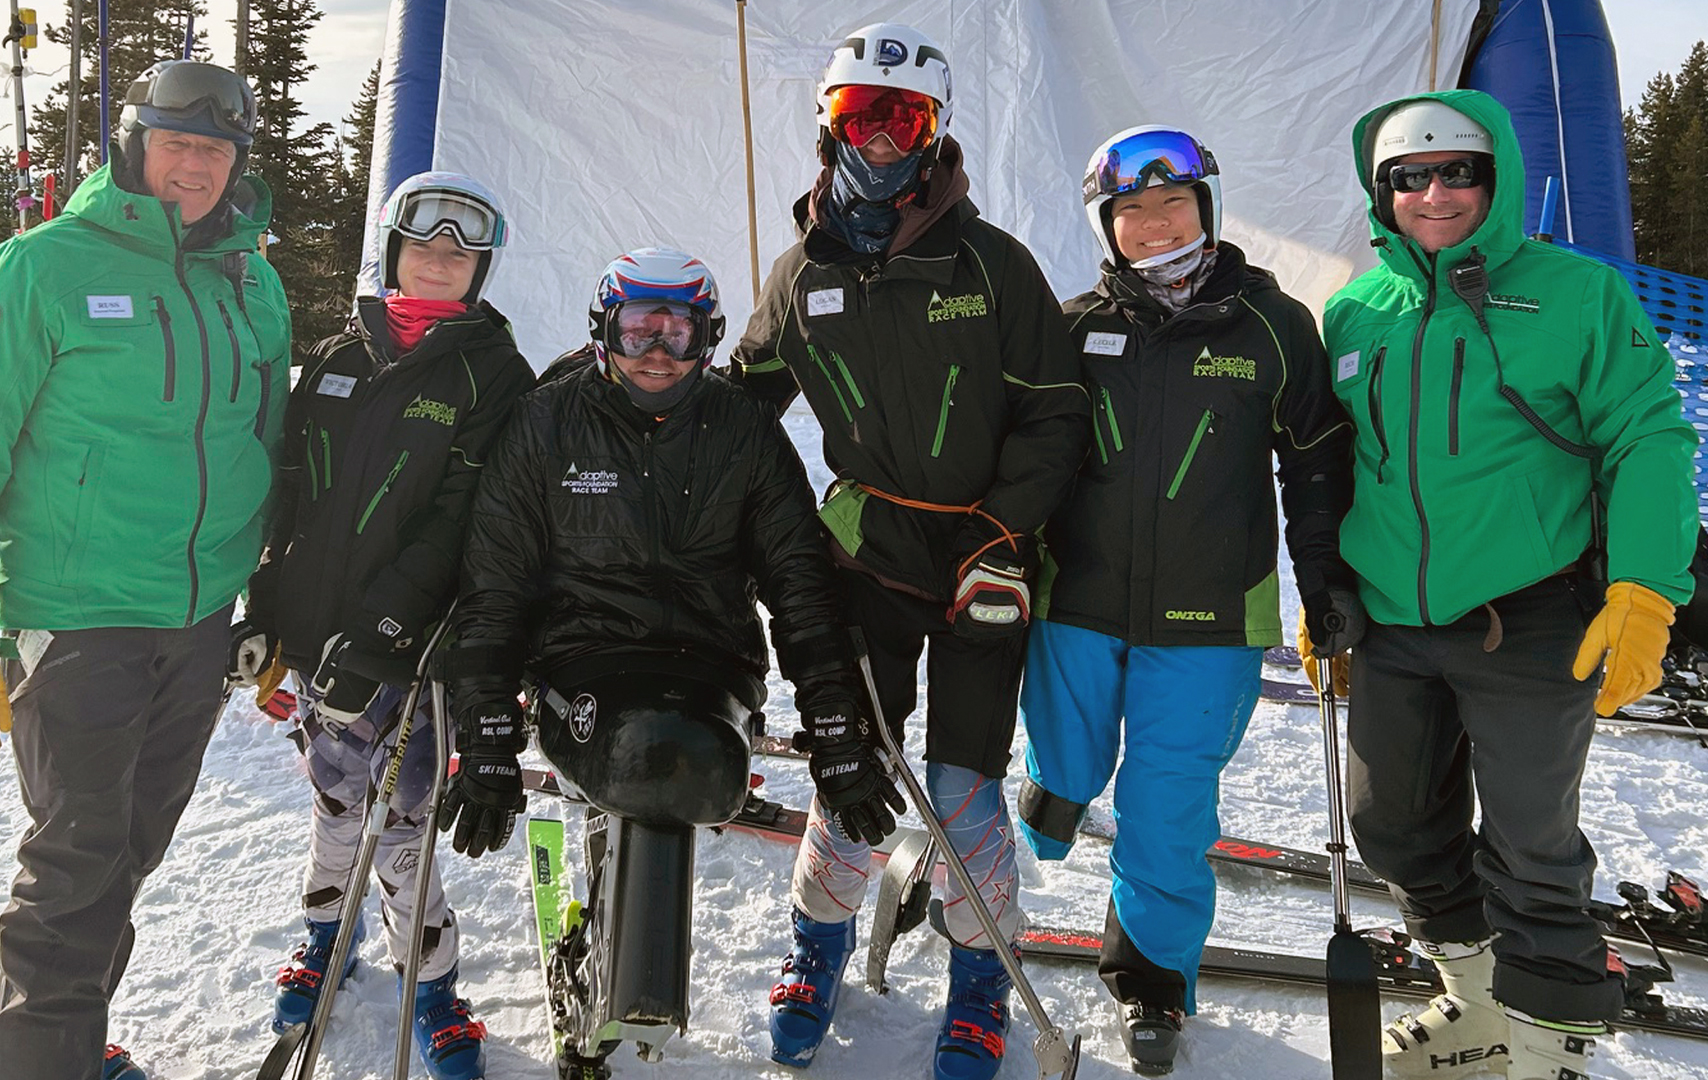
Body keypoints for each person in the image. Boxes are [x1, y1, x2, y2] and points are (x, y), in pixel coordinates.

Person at [0, 60, 288, 1080]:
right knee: (75, 869)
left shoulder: (251, 281)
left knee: (128, 854)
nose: (195, 167)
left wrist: (274, 600)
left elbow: (267, 449)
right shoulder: (40, 268)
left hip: (197, 625)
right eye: (177, 144)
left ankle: (70, 1046)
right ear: (133, 146)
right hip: (78, 622)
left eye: (216, 150)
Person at [1311, 90, 1696, 1080]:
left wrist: (1646, 589)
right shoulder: (1358, 309)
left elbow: (1648, 436)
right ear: (1381, 192)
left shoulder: (1576, 294)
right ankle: (1480, 1004)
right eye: (1409, 177)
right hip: (1396, 622)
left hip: (1530, 615)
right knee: (1391, 824)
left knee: (1531, 842)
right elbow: (1341, 466)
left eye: (1458, 172)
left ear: (1497, 178)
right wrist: (1329, 590)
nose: (1434, 194)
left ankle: (1551, 1042)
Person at [728, 23, 1085, 1080]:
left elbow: (1056, 412)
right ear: (829, 127)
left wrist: (1000, 534)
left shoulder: (992, 263)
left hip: (984, 563)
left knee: (965, 789)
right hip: (868, 558)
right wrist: (624, 392)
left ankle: (979, 982)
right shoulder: (802, 275)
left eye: (905, 117)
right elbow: (738, 410)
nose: (882, 139)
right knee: (854, 768)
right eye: (861, 116)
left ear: (934, 130)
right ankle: (817, 945)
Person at [436, 249, 873, 1072]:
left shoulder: (741, 428)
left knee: (685, 760)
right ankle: (608, 952)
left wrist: (834, 717)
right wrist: (487, 725)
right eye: (639, 329)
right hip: (583, 659)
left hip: (708, 665)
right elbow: (495, 585)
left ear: (708, 337)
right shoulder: (547, 423)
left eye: (680, 332)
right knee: (638, 753)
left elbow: (799, 583)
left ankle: (629, 955)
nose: (658, 353)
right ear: (604, 331)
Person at [1017, 125, 1355, 1072]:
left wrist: (1324, 579)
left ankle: (1152, 978)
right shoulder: (1075, 328)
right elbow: (1031, 454)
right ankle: (1056, 789)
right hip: (1077, 605)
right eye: (1132, 210)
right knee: (1068, 770)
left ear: (1206, 207)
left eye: (1174, 203)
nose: (1156, 224)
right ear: (1107, 225)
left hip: (1210, 618)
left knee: (1167, 807)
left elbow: (1316, 462)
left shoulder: (1272, 327)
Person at [229, 171, 534, 1079]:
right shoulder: (339, 356)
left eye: (461, 251)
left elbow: (460, 522)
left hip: (414, 654)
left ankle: (430, 984)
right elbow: (291, 494)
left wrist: (383, 636)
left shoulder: (493, 374)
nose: (440, 259)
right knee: (333, 800)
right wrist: (266, 610)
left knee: (401, 827)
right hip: (320, 645)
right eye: (424, 243)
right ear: (394, 249)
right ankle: (329, 934)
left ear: (479, 270)